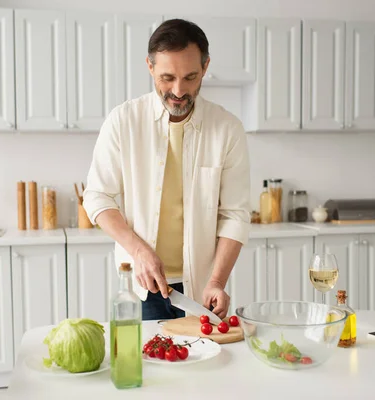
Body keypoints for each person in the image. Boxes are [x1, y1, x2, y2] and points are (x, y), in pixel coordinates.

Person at [83, 18, 251, 321]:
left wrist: (217, 281)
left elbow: (235, 215)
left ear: (205, 67)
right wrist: (139, 251)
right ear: (149, 67)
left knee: (205, 367)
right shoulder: (123, 121)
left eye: (190, 77)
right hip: (142, 287)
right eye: (167, 77)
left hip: (201, 290)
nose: (178, 90)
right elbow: (97, 197)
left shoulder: (227, 129)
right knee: (146, 367)